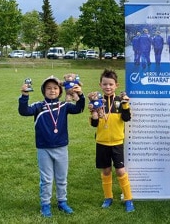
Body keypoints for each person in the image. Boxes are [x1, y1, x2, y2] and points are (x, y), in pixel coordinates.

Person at [18, 75, 85, 217]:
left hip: (61, 147)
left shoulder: (64, 106)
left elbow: (79, 108)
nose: (52, 91)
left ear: (60, 91)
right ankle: (45, 204)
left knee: (61, 178)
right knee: (46, 179)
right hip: (44, 148)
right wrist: (24, 95)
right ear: (43, 91)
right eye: (48, 88)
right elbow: (24, 111)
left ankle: (62, 202)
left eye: (55, 88)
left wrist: (80, 94)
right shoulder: (38, 106)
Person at [89, 69, 135, 212]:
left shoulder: (120, 101)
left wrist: (126, 104)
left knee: (120, 171)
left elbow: (127, 118)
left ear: (116, 85)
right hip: (102, 143)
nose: (108, 87)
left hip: (117, 143)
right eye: (105, 84)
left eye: (111, 84)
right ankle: (108, 197)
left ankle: (128, 199)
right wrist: (94, 114)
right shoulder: (97, 102)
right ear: (100, 85)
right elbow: (94, 124)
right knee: (106, 171)